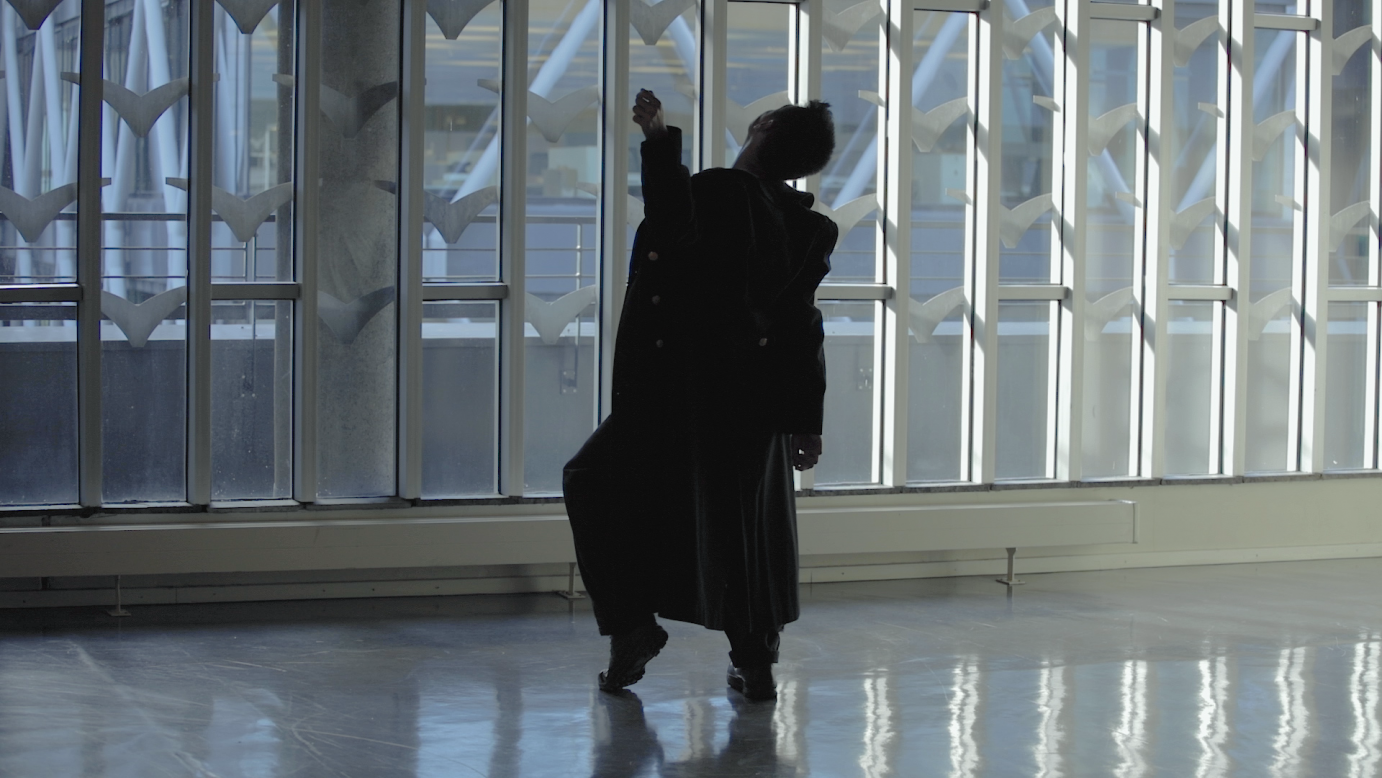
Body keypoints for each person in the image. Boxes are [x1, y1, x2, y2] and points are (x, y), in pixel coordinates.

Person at [563, 89, 838, 702]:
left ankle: (631, 626)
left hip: (680, 391)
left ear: (763, 124)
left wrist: (659, 138)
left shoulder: (724, 190)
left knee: (592, 479)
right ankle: (757, 665)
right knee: (748, 526)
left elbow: (669, 216)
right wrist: (805, 418)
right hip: (756, 401)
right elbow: (802, 323)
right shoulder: (810, 225)